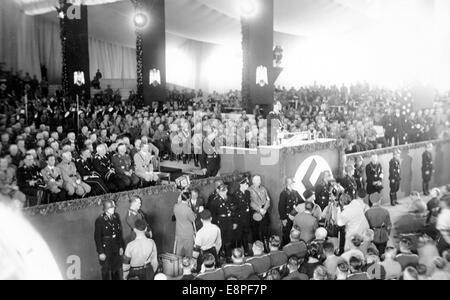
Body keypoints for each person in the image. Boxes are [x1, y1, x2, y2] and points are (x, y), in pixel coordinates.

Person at [94, 200, 125, 280]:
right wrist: (100, 252)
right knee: (106, 271)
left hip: (115, 247)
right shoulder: (100, 220)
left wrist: (121, 246)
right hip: (106, 249)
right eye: (111, 207)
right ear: (106, 209)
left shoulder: (116, 217)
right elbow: (97, 238)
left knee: (116, 269)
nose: (114, 209)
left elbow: (119, 233)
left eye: (114, 207)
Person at [208, 184, 237, 259]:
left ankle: (228, 256)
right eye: (223, 191)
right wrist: (215, 225)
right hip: (220, 223)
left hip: (229, 221)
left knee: (229, 239)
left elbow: (233, 211)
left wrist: (234, 222)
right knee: (220, 240)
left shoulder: (229, 198)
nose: (225, 192)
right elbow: (213, 215)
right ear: (219, 191)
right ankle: (219, 256)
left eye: (225, 190)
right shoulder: (215, 201)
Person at [278, 178, 303, 246]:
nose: (293, 184)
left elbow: (301, 202)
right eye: (292, 183)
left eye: (293, 183)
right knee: (287, 234)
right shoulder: (283, 193)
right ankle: (285, 247)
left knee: (295, 233)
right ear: (288, 184)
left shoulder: (295, 192)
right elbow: (281, 207)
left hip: (295, 216)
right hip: (287, 217)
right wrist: (283, 219)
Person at [248, 175, 271, 248]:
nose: (259, 181)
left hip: (264, 212)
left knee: (265, 230)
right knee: (255, 231)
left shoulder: (263, 189)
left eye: (260, 180)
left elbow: (268, 200)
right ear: (253, 181)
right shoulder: (249, 190)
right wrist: (259, 209)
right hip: (255, 213)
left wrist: (265, 209)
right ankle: (257, 247)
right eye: (257, 180)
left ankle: (266, 246)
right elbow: (250, 202)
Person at [173, 191, 196, 258]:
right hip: (187, 233)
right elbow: (193, 219)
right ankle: (188, 266)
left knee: (179, 251)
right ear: (188, 199)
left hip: (179, 231)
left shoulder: (176, 206)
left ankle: (178, 266)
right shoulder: (188, 209)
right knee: (189, 252)